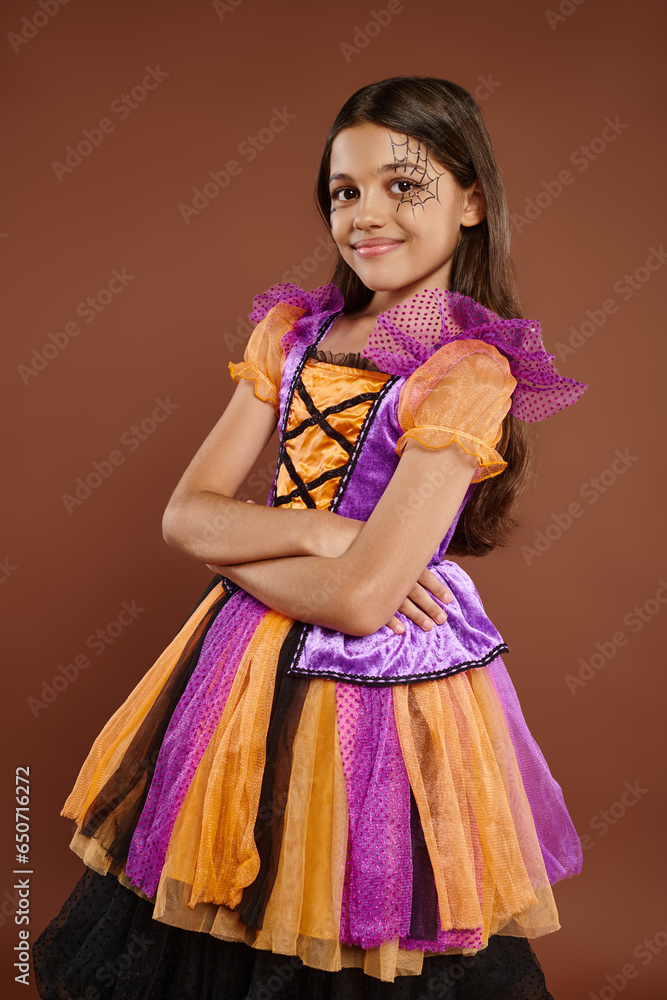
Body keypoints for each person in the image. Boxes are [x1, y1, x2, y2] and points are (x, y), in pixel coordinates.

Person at [33, 76, 587, 999]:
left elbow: (364, 602)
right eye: (344, 190)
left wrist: (235, 554)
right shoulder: (291, 333)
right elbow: (183, 515)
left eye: (403, 186)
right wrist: (328, 534)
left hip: (384, 684)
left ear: (472, 200)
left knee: (355, 894)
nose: (366, 214)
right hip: (238, 669)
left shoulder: (465, 370)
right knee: (224, 888)